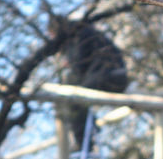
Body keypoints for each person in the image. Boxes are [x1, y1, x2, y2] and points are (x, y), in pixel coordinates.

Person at [50, 18, 128, 149]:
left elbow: (79, 66)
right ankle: (90, 129)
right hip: (115, 76)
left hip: (108, 77)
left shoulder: (80, 37)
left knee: (73, 98)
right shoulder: (87, 33)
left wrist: (69, 61)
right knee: (75, 94)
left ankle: (84, 141)